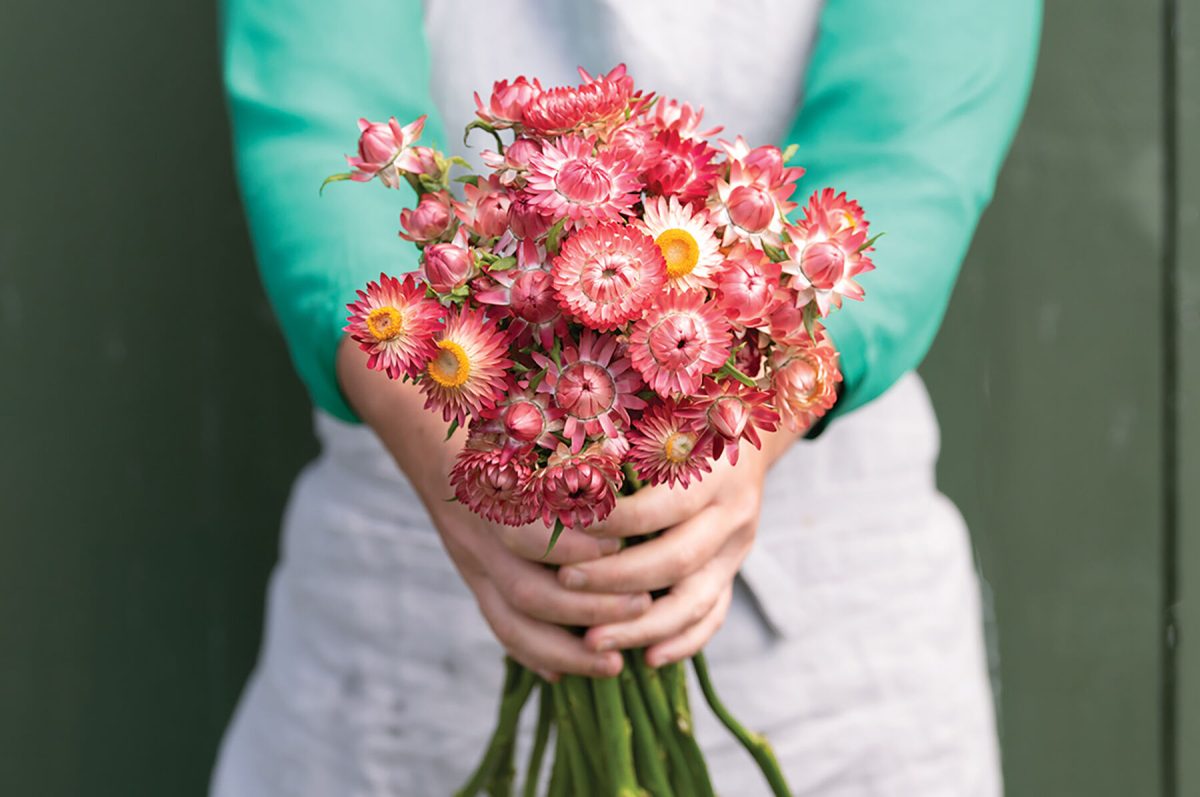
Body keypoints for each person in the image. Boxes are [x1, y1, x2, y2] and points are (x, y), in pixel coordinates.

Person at [213, 1, 1040, 794]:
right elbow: (316, 102)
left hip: (827, 650)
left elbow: (914, 147)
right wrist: (444, 436)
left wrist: (750, 413)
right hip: (399, 629)